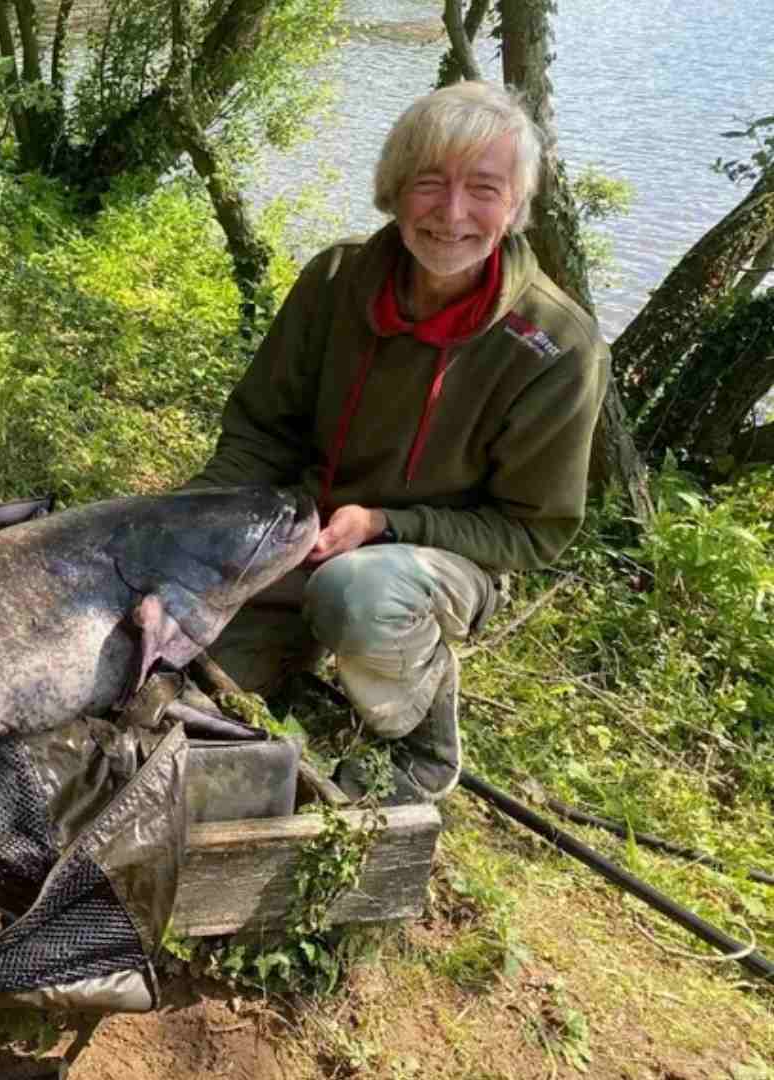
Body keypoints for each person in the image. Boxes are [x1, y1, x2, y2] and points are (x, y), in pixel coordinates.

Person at [185, 81, 610, 802]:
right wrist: (198, 524)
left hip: (431, 561)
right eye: (429, 184)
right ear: (393, 189)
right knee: (180, 689)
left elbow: (532, 535)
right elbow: (261, 429)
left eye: (483, 189)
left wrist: (388, 525)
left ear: (516, 205)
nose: (451, 215)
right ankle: (298, 655)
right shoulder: (336, 279)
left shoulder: (555, 348)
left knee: (361, 592)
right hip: (304, 532)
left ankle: (420, 734)